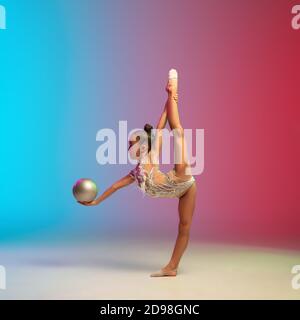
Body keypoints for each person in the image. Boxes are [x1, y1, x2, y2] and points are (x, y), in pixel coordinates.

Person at [79, 69, 197, 277]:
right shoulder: (137, 172)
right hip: (182, 191)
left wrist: (169, 96)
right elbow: (115, 186)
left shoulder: (151, 154)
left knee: (177, 131)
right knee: (184, 227)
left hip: (181, 178)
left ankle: (174, 88)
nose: (128, 145)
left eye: (131, 142)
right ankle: (172, 268)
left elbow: (161, 124)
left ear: (142, 145)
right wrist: (96, 202)